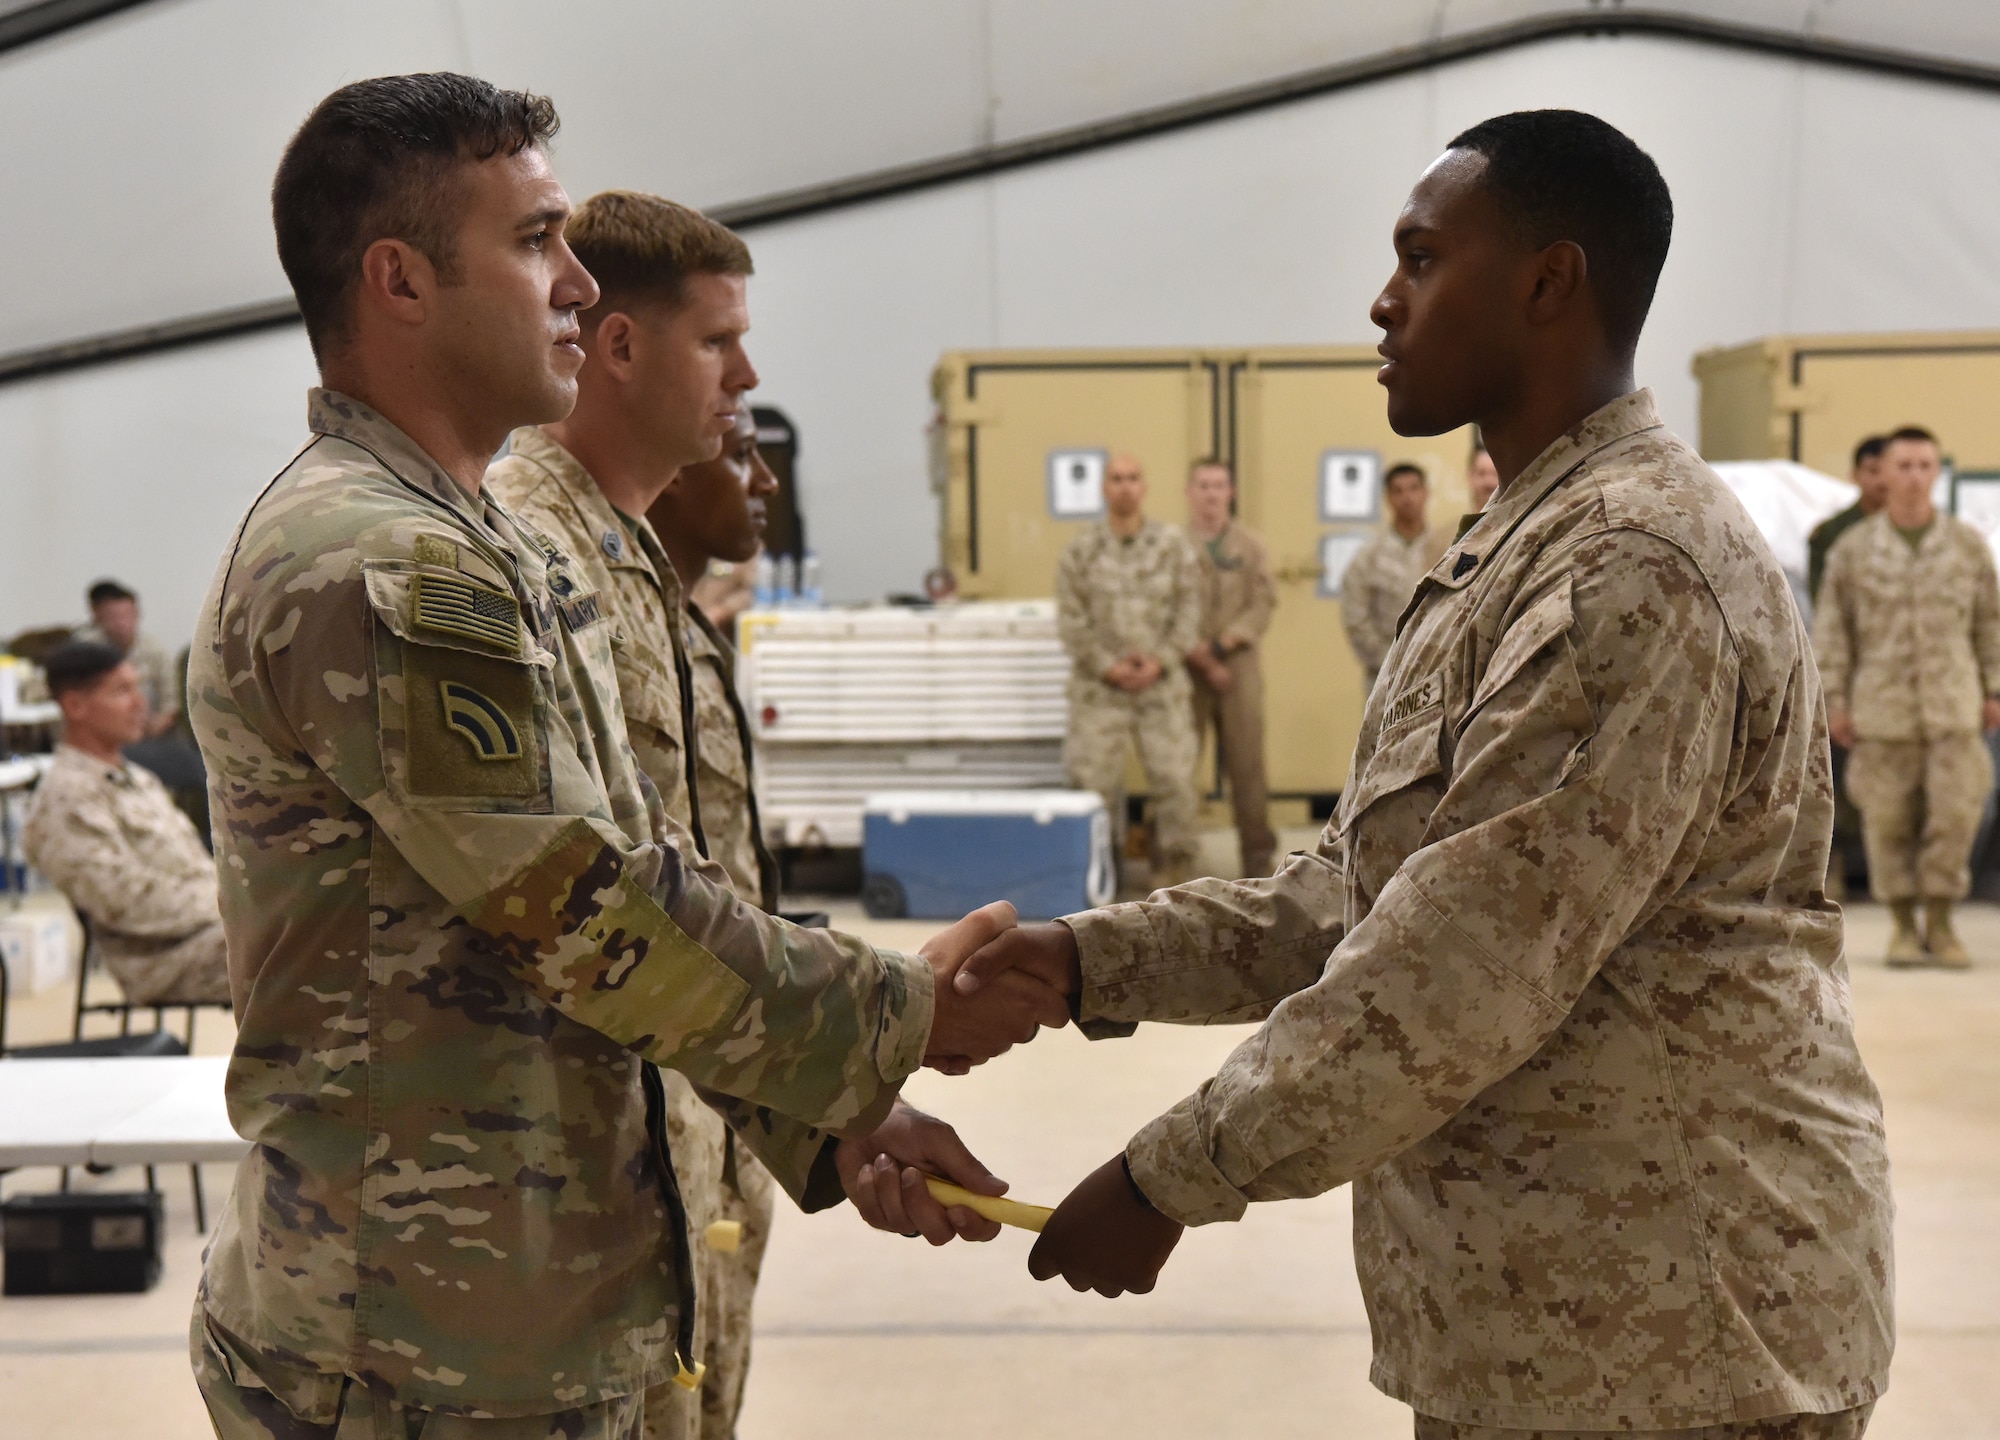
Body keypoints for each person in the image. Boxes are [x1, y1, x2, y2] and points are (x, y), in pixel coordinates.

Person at [955, 109, 1891, 1440]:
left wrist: (1171, 1175)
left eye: (1420, 258)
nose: (1383, 301)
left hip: (1682, 1339)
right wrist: (1083, 960)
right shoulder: (1521, 545)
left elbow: (1461, 964)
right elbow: (1362, 897)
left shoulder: (1628, 566)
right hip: (1559, 1332)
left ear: (1547, 281)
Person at [187, 74, 1064, 1439]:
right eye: (535, 242)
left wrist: (823, 1120)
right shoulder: (379, 559)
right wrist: (894, 1014)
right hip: (411, 1352)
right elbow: (589, 913)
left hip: (508, 1320)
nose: (579, 286)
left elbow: (633, 896)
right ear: (401, 281)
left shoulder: (482, 543)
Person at [484, 190, 773, 1440]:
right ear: (618, 345)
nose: (745, 375)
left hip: (688, 1145)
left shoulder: (629, 551)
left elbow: (707, 875)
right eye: (716, 342)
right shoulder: (522, 549)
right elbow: (584, 902)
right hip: (585, 1194)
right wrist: (867, 1039)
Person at [647, 404, 784, 1436]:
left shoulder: (684, 631)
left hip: (722, 1134)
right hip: (645, 1160)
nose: (766, 484)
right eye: (740, 458)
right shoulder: (579, 610)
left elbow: (725, 901)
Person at [1814, 425, 2000, 968]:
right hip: (1882, 711)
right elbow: (1833, 632)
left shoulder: (1966, 546)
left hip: (1953, 707)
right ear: (1882, 474)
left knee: (1956, 817)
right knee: (1887, 822)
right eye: (1904, 466)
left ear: (1937, 472)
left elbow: (1990, 624)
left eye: (1925, 465)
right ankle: (1900, 925)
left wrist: (1994, 688)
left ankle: (1941, 923)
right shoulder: (1853, 551)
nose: (1914, 477)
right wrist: (1835, 702)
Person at [20, 640, 230, 1007]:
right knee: (321, 952)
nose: (140, 704)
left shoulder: (136, 777)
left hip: (213, 930)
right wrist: (235, 907)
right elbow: (124, 902)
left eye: (137, 688)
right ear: (75, 706)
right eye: (121, 691)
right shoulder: (67, 798)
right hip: (164, 961)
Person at [1055, 454, 1203, 888]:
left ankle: (1176, 881)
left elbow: (1190, 609)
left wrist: (1160, 659)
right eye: (1116, 479)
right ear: (1104, 488)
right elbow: (1071, 619)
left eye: (1133, 478)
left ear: (1144, 487)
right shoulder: (1080, 551)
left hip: (1162, 688)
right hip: (1099, 691)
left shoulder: (1172, 546)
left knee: (1175, 785)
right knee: (1092, 789)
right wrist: (1109, 665)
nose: (1125, 486)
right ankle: (1097, 882)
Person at [1180, 457, 1278, 877]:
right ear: (1189, 492)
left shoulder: (1251, 546)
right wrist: (1197, 652)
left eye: (1219, 485)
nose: (1211, 493)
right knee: (1178, 767)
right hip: (1184, 665)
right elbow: (1163, 604)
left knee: (1247, 765)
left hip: (1237, 664)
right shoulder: (1171, 545)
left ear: (1231, 492)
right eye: (1203, 485)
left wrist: (1223, 645)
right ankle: (1175, 857)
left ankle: (1257, 860)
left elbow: (1263, 602)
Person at [1339, 461, 1449, 689]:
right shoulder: (1369, 557)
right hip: (1384, 674)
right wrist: (1389, 661)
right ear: (1387, 498)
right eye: (1398, 491)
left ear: (1426, 493)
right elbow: (1356, 617)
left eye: (1413, 488)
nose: (1407, 498)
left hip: (1439, 669)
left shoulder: (1448, 549)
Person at [75, 579, 178, 736]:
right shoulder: (86, 648)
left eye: (126, 616)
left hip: (148, 732)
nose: (121, 623)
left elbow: (171, 699)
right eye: (113, 617)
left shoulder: (154, 650)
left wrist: (159, 724)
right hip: (101, 730)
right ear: (99, 619)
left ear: (137, 615)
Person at [1808, 436, 1891, 607]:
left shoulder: (1913, 529)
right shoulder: (1832, 532)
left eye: (1888, 470)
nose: (1882, 480)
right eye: (1873, 471)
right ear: (1855, 475)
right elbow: (1822, 597)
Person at [1466, 437, 1499, 510]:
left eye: (1495, 474)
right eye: (1481, 473)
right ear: (1470, 476)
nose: (1488, 481)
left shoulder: (1518, 520)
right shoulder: (1460, 521)